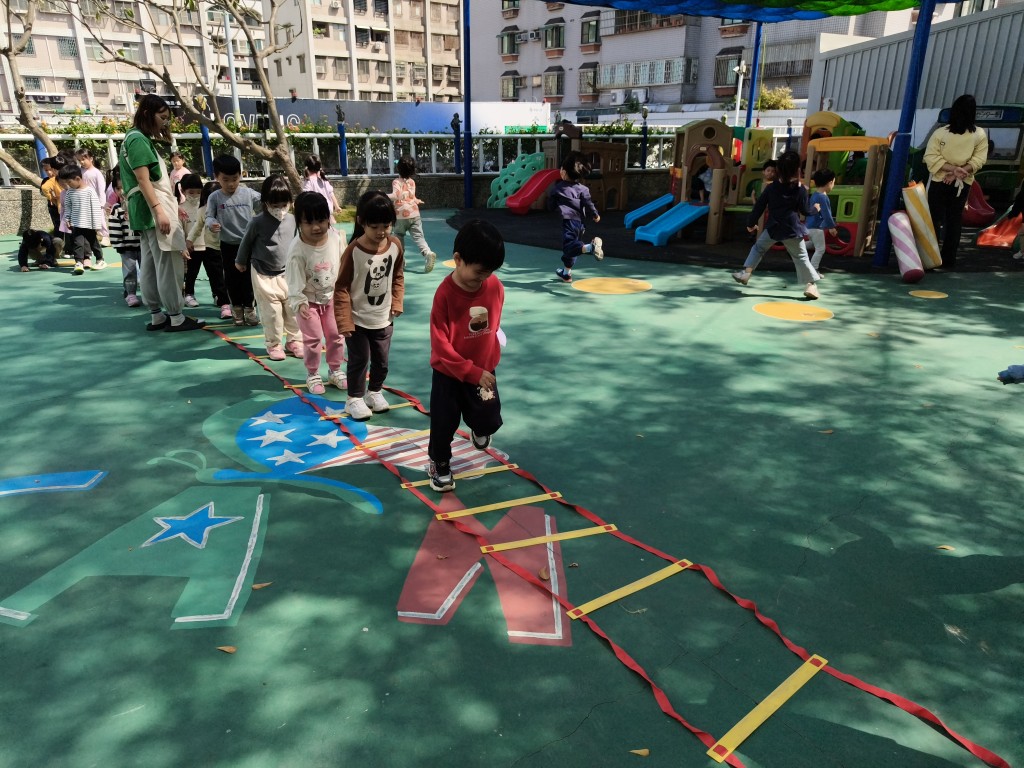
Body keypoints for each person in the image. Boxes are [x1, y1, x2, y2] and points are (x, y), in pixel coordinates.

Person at [426, 219, 506, 493]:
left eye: (489, 273)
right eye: (479, 272)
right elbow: (440, 346)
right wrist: (469, 371)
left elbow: (495, 319)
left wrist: (490, 353)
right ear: (458, 259)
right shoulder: (445, 295)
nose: (484, 278)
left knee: (489, 418)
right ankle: (440, 464)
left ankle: (479, 428)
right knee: (443, 423)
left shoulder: (494, 286)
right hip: (449, 373)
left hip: (484, 369)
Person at [118, 93, 204, 332]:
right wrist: (159, 211)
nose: (165, 122)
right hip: (152, 208)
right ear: (148, 114)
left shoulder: (133, 137)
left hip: (143, 209)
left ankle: (157, 314)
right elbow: (143, 179)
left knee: (150, 264)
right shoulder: (138, 140)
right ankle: (175, 315)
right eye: (162, 117)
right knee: (167, 263)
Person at [333, 191, 404, 421]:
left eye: (386, 225)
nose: (381, 231)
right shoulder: (354, 251)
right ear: (361, 222)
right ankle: (354, 398)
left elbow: (398, 275)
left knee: (382, 361)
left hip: (383, 318)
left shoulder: (395, 245)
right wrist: (344, 321)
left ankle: (374, 392)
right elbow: (341, 287)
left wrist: (397, 300)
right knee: (359, 359)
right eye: (374, 226)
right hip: (357, 319)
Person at [731, 149, 821, 300]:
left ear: (778, 169)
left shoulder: (771, 187)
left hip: (773, 227)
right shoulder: (800, 189)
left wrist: (750, 223)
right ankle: (811, 286)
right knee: (801, 257)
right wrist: (815, 209)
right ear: (797, 170)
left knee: (758, 248)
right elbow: (805, 211)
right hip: (792, 228)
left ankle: (746, 273)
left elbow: (759, 206)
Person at [286, 191, 348, 395]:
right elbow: (293, 279)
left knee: (336, 335)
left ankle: (335, 370)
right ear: (299, 223)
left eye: (321, 220)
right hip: (308, 301)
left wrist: (345, 292)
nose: (316, 227)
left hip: (332, 298)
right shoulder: (297, 249)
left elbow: (344, 264)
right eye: (309, 222)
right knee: (313, 339)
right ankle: (312, 373)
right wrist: (299, 301)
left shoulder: (335, 238)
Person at [235, 174, 302, 362]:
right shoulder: (257, 222)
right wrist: (240, 261)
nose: (280, 209)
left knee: (293, 309)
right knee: (271, 312)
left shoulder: (293, 220)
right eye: (275, 205)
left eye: (283, 204)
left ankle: (295, 341)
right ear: (265, 202)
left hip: (288, 273)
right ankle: (274, 344)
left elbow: (300, 242)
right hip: (263, 272)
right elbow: (246, 243)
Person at [923, 94, 989, 269]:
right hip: (963, 183)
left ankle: (930, 257)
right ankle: (948, 259)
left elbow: (930, 157)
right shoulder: (979, 134)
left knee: (934, 219)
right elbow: (979, 160)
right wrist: (959, 172)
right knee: (954, 220)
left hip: (939, 180)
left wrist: (952, 171)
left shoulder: (940, 133)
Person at [206, 154, 261, 325]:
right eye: (226, 180)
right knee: (232, 280)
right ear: (216, 177)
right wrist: (212, 223)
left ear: (240, 175)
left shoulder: (249, 194)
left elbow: (266, 205)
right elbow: (209, 217)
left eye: (235, 179)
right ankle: (237, 310)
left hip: (249, 245)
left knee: (249, 279)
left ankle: (250, 310)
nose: (231, 184)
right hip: (228, 246)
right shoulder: (215, 197)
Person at [549, 150, 602, 283]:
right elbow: (589, 203)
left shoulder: (558, 188)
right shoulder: (583, 189)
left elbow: (550, 205)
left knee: (569, 246)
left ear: (564, 172)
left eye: (561, 168)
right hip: (580, 224)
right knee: (572, 247)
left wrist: (553, 206)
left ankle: (590, 247)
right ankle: (566, 274)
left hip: (569, 222)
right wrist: (595, 214)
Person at [186, 180, 232, 320]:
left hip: (230, 246)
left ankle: (241, 304)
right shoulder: (203, 211)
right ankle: (224, 304)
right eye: (208, 200)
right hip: (212, 248)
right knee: (217, 277)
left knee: (233, 276)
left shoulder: (228, 207)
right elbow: (197, 227)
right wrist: (189, 240)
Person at [389, 154, 436, 273]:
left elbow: (396, 195)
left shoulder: (396, 182)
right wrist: (417, 200)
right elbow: (412, 196)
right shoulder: (412, 182)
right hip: (414, 213)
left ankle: (400, 261)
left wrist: (383, 195)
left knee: (398, 236)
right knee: (419, 237)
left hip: (400, 215)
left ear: (398, 168)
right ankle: (427, 253)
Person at [59, 164, 107, 274]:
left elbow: (95, 208)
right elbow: (68, 207)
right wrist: (67, 219)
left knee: (94, 243)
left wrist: (96, 225)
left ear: (77, 178)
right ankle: (79, 263)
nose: (68, 185)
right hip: (76, 224)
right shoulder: (70, 192)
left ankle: (100, 259)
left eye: (69, 182)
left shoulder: (90, 191)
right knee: (77, 244)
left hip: (89, 224)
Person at [107, 175, 143, 307]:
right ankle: (130, 294)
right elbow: (114, 227)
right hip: (127, 247)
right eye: (118, 188)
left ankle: (148, 293)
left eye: (125, 187)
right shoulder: (117, 208)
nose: (122, 191)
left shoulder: (141, 205)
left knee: (147, 271)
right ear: (114, 190)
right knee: (129, 272)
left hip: (144, 245)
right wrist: (118, 244)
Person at [807, 169, 838, 272]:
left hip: (809, 226)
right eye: (834, 183)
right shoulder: (823, 197)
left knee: (813, 244)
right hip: (816, 227)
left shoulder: (815, 194)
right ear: (830, 182)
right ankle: (813, 270)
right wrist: (831, 227)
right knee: (820, 249)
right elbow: (826, 214)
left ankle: (798, 247)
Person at [40, 156, 65, 240]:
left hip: (62, 205)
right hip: (53, 207)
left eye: (50, 169)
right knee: (57, 226)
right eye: (46, 170)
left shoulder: (61, 178)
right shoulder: (46, 180)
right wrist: (51, 198)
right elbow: (43, 190)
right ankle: (58, 242)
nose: (49, 172)